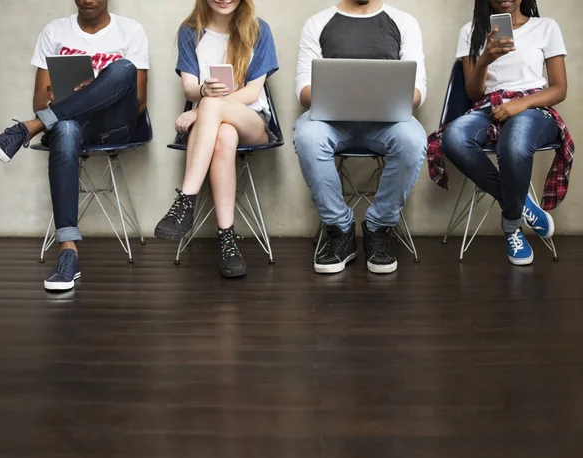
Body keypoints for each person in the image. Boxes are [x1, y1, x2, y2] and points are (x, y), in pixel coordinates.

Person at [0, 0, 150, 290]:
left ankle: (28, 129)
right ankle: (67, 253)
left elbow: (139, 101)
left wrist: (96, 91)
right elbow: (38, 99)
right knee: (65, 127)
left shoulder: (131, 31)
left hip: (113, 127)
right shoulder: (55, 31)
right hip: (70, 124)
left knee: (122, 68)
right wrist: (58, 103)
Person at [428, 0, 573, 266]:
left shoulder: (545, 27)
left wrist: (520, 104)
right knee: (454, 138)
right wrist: (485, 59)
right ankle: (519, 203)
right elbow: (473, 93)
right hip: (488, 108)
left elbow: (559, 89)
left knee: (515, 144)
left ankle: (511, 227)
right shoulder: (471, 31)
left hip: (533, 108)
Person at [293, 0, 427, 275]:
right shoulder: (318, 23)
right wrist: (344, 94)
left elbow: (418, 92)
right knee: (307, 134)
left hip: (386, 124)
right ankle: (340, 228)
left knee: (412, 139)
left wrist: (380, 95)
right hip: (332, 123)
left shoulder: (403, 22)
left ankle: (379, 226)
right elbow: (303, 91)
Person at [154, 0, 278, 278]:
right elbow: (189, 88)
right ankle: (228, 244)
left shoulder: (259, 30)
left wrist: (203, 109)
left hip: (251, 121)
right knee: (223, 136)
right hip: (216, 128)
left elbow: (251, 93)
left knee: (211, 106)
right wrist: (202, 91)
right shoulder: (190, 32)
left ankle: (185, 201)